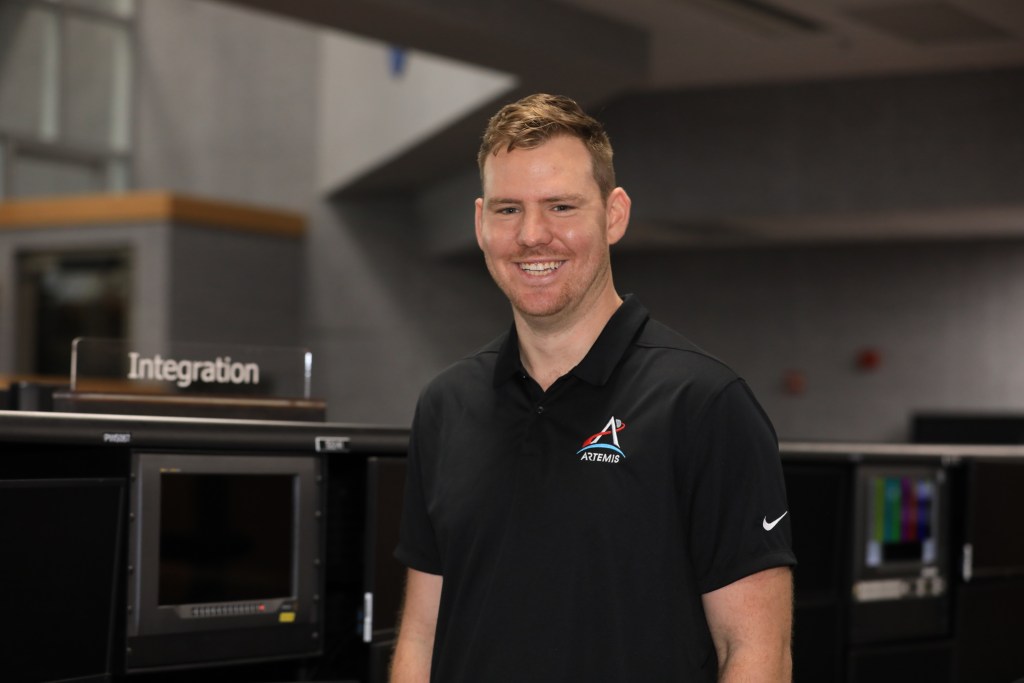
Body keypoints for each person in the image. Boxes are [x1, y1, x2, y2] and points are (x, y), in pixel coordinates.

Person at [391, 93, 796, 682]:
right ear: (480, 223)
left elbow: (756, 653)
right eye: (508, 209)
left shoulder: (704, 403)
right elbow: (422, 635)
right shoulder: (445, 406)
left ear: (614, 214)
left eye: (560, 206)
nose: (532, 235)